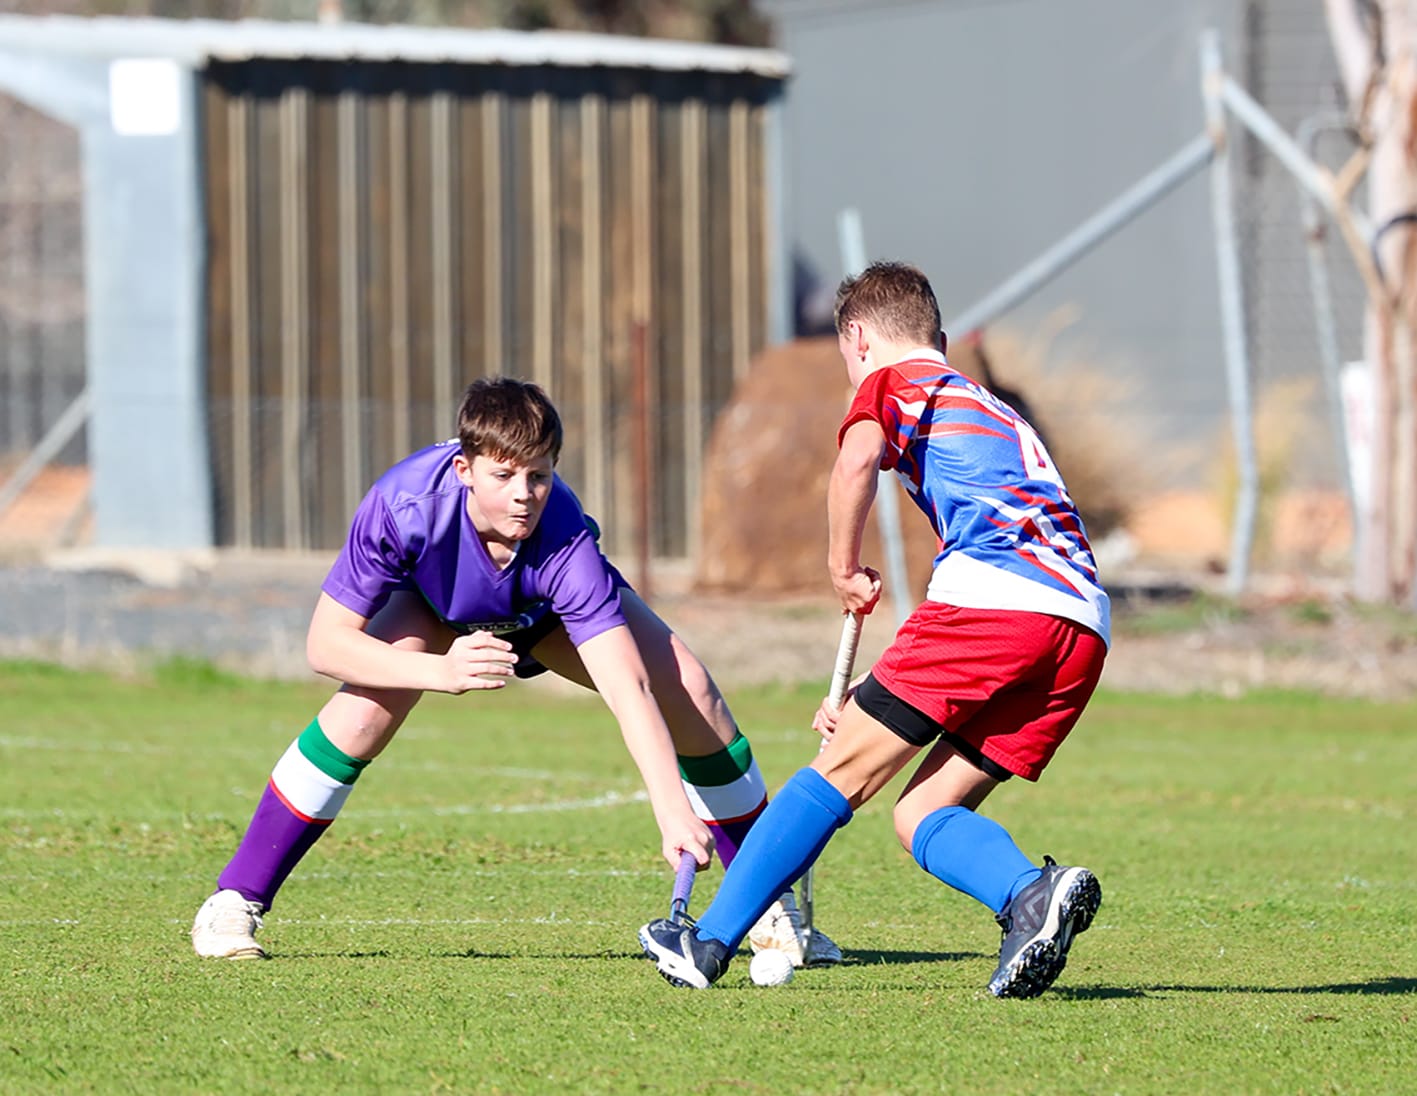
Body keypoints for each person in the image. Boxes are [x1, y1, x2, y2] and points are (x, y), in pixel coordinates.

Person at [190, 376, 839, 968]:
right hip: (434, 611)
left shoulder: (562, 537)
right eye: (504, 476)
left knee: (692, 693)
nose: (524, 495)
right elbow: (325, 644)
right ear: (464, 468)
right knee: (359, 716)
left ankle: (767, 906)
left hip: (544, 619)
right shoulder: (403, 504)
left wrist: (671, 811)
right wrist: (439, 671)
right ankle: (235, 902)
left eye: (539, 475)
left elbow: (626, 684)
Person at [638, 261, 1110, 998]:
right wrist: (871, 691)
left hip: (995, 604)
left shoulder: (891, 381)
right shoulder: (988, 403)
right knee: (923, 809)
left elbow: (857, 459)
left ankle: (705, 943)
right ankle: (1028, 896)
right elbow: (986, 612)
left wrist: (841, 567)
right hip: (1078, 627)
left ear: (855, 338)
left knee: (836, 777)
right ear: (941, 338)